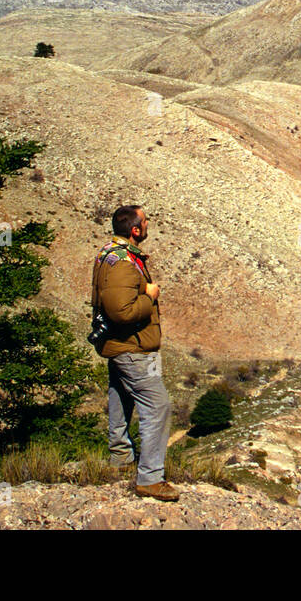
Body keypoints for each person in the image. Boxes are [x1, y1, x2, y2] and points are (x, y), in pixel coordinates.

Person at [90, 204, 179, 502]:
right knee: (158, 405)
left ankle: (120, 456)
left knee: (120, 394)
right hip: (133, 347)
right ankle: (150, 478)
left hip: (122, 346)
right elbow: (122, 310)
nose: (149, 224)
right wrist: (149, 296)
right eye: (146, 221)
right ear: (135, 229)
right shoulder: (124, 262)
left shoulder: (109, 252)